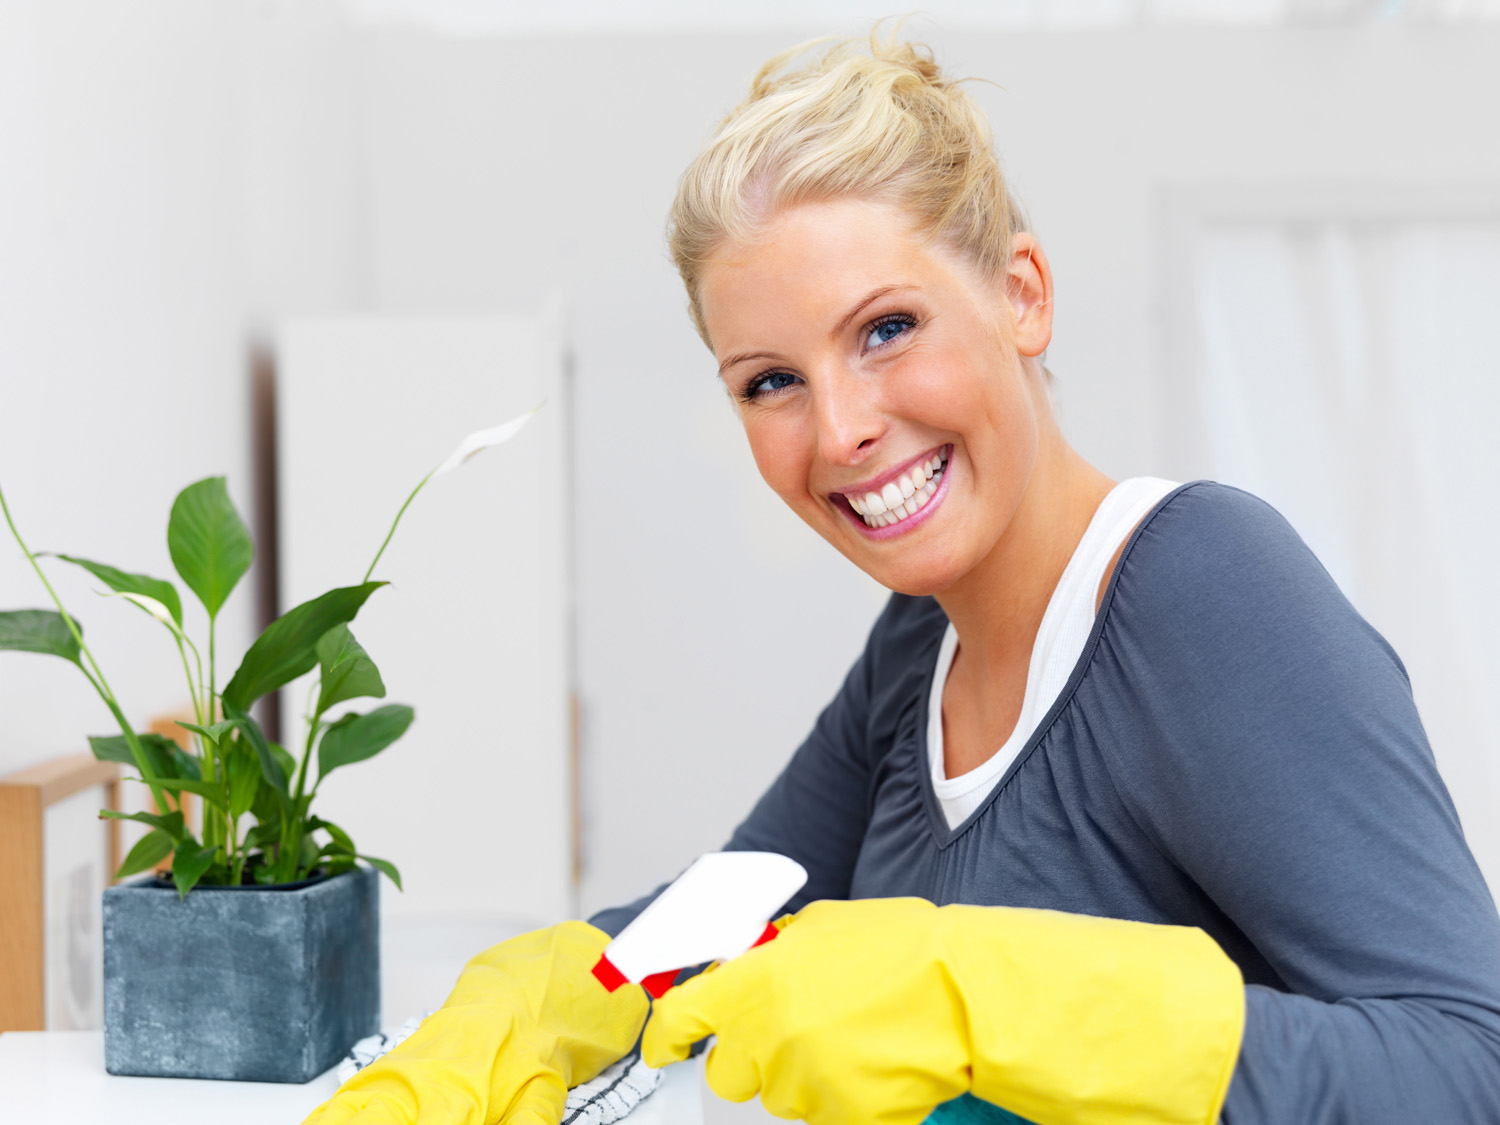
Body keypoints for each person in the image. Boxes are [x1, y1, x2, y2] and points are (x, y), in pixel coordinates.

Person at [303, 30, 1500, 1125]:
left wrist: (987, 1000)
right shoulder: (917, 646)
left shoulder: (1203, 587)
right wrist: (548, 996)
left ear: (1022, 296)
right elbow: (723, 923)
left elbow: (1468, 1064)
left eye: (886, 329)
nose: (840, 432)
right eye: (771, 382)